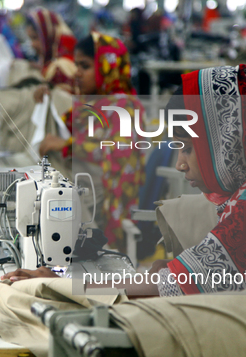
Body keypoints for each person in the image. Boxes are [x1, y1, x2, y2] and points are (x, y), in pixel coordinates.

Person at [3, 64, 246, 298]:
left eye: (188, 147)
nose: (180, 163)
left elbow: (177, 281)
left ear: (230, 138)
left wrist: (65, 283)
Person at [39, 32, 145, 254]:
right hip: (96, 189)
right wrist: (48, 96)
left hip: (112, 199)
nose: (77, 73)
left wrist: (66, 146)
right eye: (76, 65)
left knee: (58, 195)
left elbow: (115, 150)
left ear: (108, 68)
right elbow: (71, 123)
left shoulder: (125, 106)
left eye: (84, 66)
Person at [26, 7, 77, 96]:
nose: (32, 44)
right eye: (30, 39)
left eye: (35, 38)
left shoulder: (59, 69)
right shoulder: (51, 64)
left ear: (48, 35)